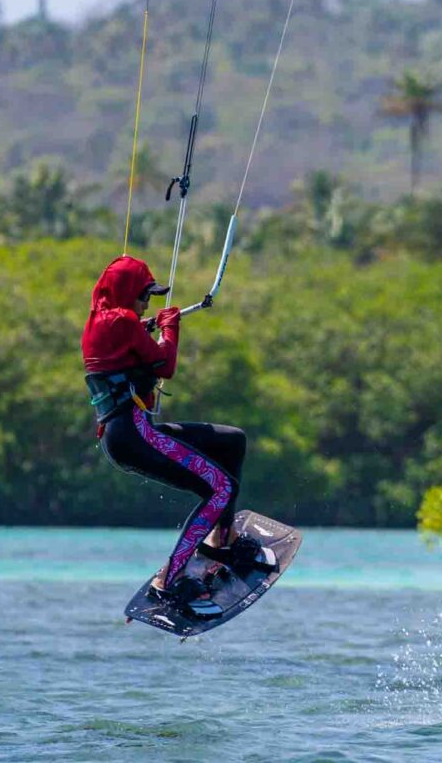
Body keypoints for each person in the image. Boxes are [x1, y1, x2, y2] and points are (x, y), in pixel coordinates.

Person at [82, 255, 272, 618]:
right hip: (133, 436)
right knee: (222, 488)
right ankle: (168, 581)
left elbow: (126, 348)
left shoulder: (102, 322)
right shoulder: (123, 320)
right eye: (143, 297)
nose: (146, 304)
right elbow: (164, 364)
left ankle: (220, 541)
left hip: (130, 434)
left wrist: (149, 325)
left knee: (232, 441)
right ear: (125, 294)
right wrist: (170, 329)